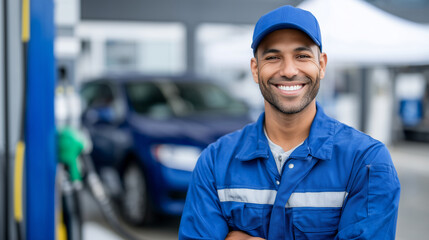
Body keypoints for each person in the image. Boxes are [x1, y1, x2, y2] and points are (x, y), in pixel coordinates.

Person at [179, 5, 400, 240]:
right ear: (255, 69)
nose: (288, 70)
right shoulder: (215, 162)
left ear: (322, 65)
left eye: (302, 56)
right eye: (273, 57)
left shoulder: (366, 161)